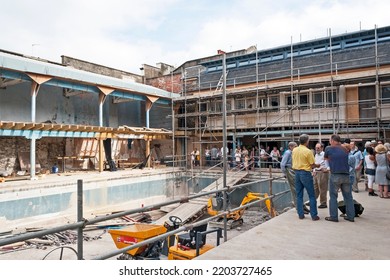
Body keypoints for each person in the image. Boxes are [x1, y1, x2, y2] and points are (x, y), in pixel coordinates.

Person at [324, 134, 355, 222]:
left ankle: (334, 216)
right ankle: (351, 216)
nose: (329, 142)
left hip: (335, 174)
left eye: (330, 140)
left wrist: (328, 168)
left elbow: (326, 159)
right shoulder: (345, 149)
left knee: (333, 196)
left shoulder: (328, 148)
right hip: (346, 174)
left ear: (333, 141)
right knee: (348, 196)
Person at [292, 134, 320, 221]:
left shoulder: (294, 150)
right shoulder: (308, 151)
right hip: (305, 173)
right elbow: (312, 165)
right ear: (307, 141)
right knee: (311, 195)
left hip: (296, 173)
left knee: (299, 195)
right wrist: (318, 165)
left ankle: (300, 214)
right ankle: (314, 215)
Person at [281, 141, 310, 214]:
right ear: (290, 147)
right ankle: (299, 207)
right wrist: (285, 173)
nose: (296, 148)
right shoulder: (288, 153)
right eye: (295, 146)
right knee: (295, 189)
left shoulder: (294, 153)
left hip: (294, 170)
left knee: (299, 189)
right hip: (290, 170)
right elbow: (282, 164)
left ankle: (302, 205)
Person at [313, 142, 329, 208]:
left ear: (322, 148)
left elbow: (329, 164)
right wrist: (313, 170)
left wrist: (327, 169)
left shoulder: (325, 155)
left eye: (318, 148)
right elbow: (315, 162)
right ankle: (313, 200)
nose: (317, 149)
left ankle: (323, 203)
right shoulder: (316, 154)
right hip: (316, 172)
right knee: (315, 188)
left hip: (323, 173)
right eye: (316, 148)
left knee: (322, 188)